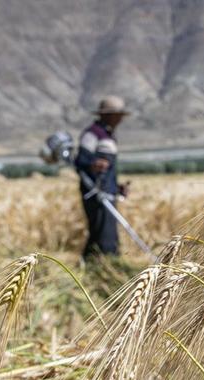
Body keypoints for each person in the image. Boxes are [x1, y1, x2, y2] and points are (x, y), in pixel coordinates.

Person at [75, 95, 129, 259]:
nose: (120, 119)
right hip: (95, 193)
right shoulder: (92, 134)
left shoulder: (108, 135)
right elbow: (80, 161)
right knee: (102, 233)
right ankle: (102, 266)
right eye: (117, 114)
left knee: (106, 232)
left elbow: (108, 171)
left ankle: (94, 266)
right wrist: (93, 163)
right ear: (107, 115)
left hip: (107, 191)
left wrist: (116, 187)